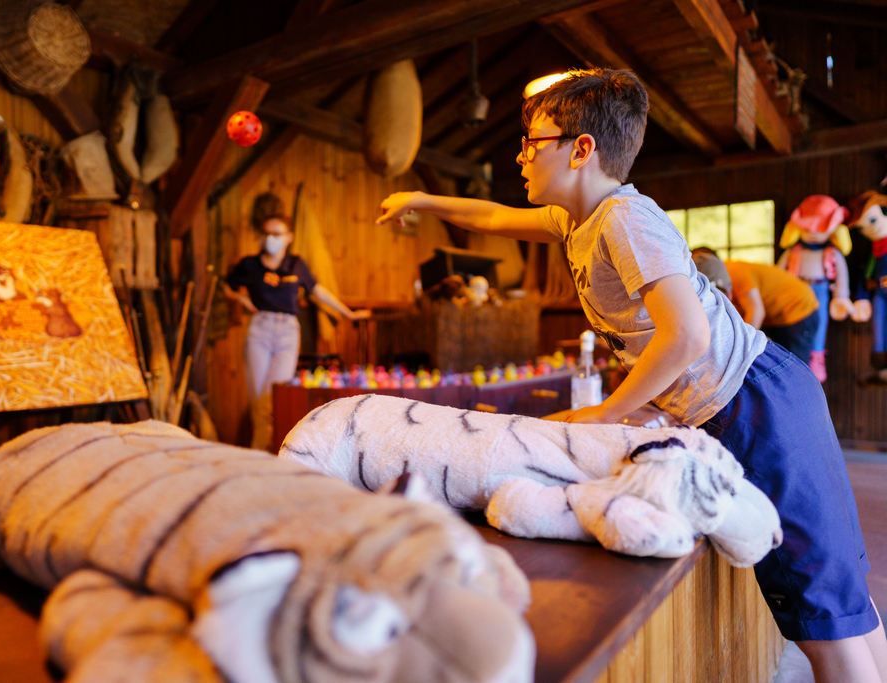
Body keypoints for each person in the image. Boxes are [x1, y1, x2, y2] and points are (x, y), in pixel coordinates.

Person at [377, 68, 887, 682]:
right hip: (741, 402)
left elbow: (690, 335)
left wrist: (607, 412)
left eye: (532, 142)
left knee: (824, 619)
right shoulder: (576, 220)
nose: (520, 155)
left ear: (581, 149)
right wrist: (422, 200)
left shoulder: (625, 217)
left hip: (758, 402)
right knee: (837, 604)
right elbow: (490, 217)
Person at [225, 206, 370, 452]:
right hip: (259, 330)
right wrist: (241, 300)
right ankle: (261, 457)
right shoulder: (249, 265)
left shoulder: (296, 264)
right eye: (267, 233)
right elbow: (227, 285)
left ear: (289, 236)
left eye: (278, 233)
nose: (272, 238)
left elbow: (318, 291)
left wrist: (347, 313)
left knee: (273, 400)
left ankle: (268, 456)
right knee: (258, 405)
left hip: (287, 333)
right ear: (261, 237)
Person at [692, 248, 820, 365]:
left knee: (794, 364)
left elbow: (756, 312)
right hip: (775, 315)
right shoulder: (715, 278)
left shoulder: (734, 272)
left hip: (798, 306)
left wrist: (739, 350)